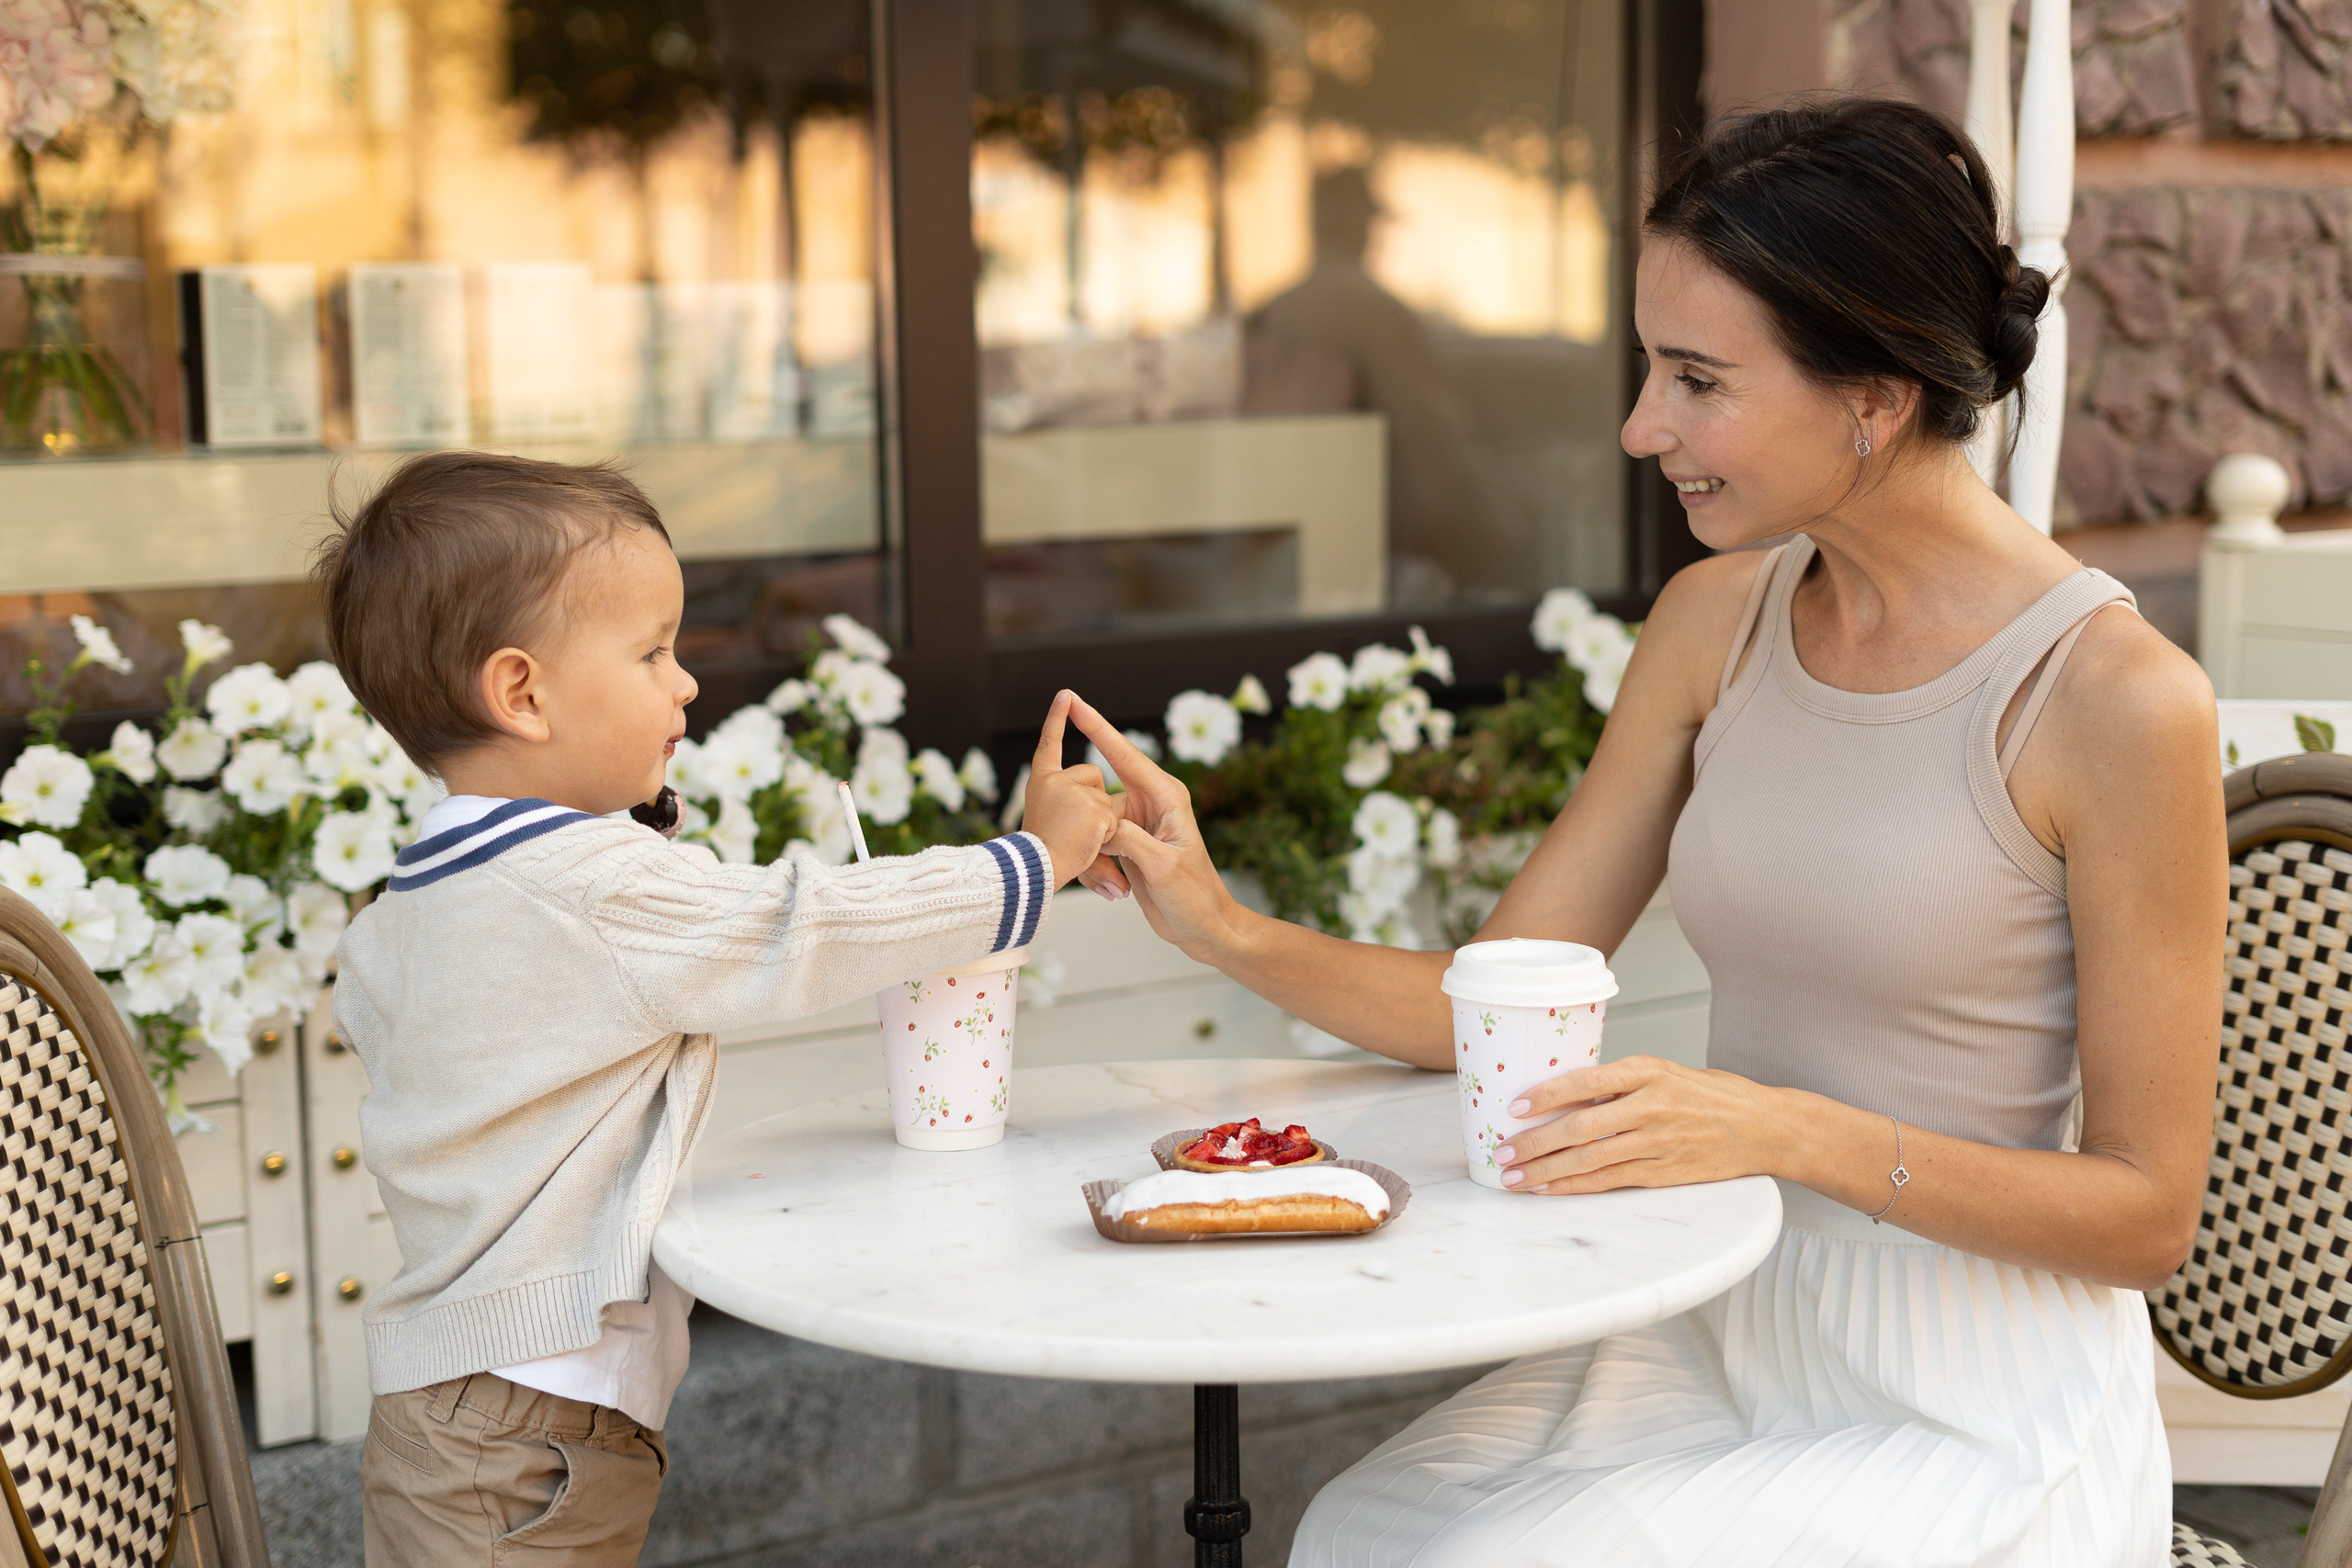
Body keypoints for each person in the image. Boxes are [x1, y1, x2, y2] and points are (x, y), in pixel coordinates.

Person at [1072, 98, 2224, 1567]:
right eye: (1648, 367)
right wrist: (1217, 920)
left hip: (1979, 1397)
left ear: (1870, 394)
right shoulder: (1715, 622)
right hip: (1718, 1313)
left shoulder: (2115, 700)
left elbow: (2146, 1211)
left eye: (1697, 378)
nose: (1640, 427)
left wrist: (1780, 1126)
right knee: (1364, 1530)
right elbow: (1499, 996)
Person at [313, 451, 1119, 1566]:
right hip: (524, 1433)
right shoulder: (591, 891)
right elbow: (803, 927)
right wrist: (1029, 863)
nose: (686, 682)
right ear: (521, 693)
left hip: (470, 1415)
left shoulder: (415, 903)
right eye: (651, 652)